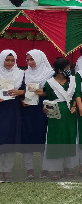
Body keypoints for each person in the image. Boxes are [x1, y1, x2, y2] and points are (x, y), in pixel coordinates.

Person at [42, 57, 78, 180]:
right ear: (59, 70)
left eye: (69, 67)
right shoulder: (50, 83)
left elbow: (76, 95)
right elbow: (47, 99)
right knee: (56, 139)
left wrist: (74, 106)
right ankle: (56, 169)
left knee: (69, 138)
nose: (69, 70)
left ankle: (67, 167)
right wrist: (46, 108)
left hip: (70, 114)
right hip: (56, 114)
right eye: (66, 68)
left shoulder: (73, 80)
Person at [20, 49, 52, 179]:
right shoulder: (24, 74)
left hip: (43, 109)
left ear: (39, 58)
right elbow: (22, 91)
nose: (29, 62)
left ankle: (45, 168)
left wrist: (43, 93)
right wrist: (22, 100)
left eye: (32, 59)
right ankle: (30, 169)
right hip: (28, 110)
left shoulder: (50, 74)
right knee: (27, 138)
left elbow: (53, 93)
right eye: (27, 60)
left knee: (43, 137)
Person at [0, 50, 25, 181]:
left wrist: (19, 91)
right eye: (7, 60)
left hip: (13, 109)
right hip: (1, 108)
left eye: (12, 60)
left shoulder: (21, 73)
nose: (10, 63)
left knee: (11, 138)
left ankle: (7, 170)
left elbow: (28, 90)